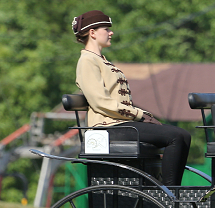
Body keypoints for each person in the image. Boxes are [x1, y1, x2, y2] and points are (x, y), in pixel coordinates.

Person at [73, 10, 192, 186]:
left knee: (184, 135)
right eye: (106, 29)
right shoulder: (87, 61)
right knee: (174, 136)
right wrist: (139, 115)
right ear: (92, 33)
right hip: (106, 128)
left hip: (119, 123)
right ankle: (169, 195)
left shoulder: (101, 60)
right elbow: (101, 102)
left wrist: (144, 116)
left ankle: (171, 192)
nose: (111, 32)